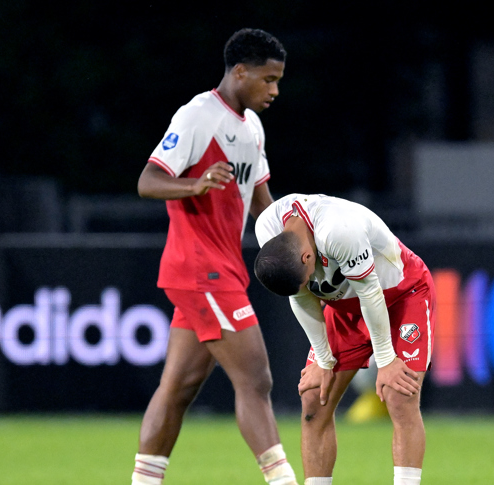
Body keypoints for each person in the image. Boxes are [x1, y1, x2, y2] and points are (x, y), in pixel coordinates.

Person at [132, 28, 298, 485]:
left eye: (278, 80)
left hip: (220, 270)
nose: (274, 90)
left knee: (178, 388)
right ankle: (283, 482)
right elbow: (148, 180)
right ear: (239, 71)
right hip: (201, 269)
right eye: (267, 79)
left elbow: (263, 201)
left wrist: (298, 239)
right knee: (257, 379)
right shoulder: (197, 115)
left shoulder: (252, 127)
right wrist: (194, 184)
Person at [254, 194, 436, 485]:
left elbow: (370, 293)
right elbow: (301, 298)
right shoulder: (268, 229)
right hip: (344, 308)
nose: (307, 285)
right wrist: (324, 361)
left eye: (306, 278)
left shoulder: (339, 230)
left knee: (399, 394)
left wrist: (387, 361)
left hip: (401, 294)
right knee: (314, 399)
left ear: (307, 257)